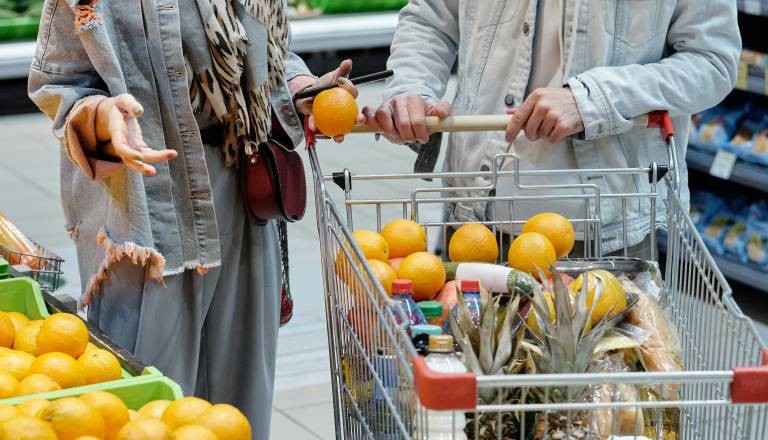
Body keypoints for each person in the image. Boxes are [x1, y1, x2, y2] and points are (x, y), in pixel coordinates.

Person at [28, 0, 356, 437]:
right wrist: (104, 118)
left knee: (241, 403)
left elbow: (267, 54)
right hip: (147, 203)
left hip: (241, 186)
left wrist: (297, 87)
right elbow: (59, 83)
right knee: (150, 403)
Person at [365, 0, 740, 257]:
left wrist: (593, 99)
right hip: (474, 215)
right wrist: (411, 87)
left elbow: (713, 61)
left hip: (603, 231)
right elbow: (431, 18)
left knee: (604, 372)